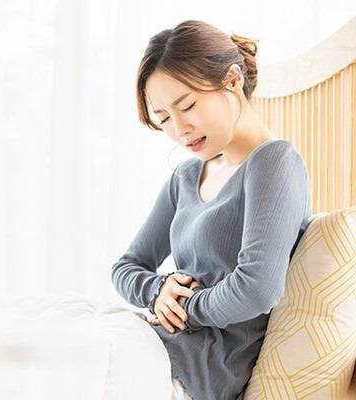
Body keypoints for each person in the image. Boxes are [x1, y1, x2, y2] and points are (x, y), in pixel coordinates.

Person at [111, 19, 312, 400]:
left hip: (199, 367)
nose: (179, 130)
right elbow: (126, 266)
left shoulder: (273, 162)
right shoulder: (186, 176)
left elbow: (257, 289)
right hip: (156, 342)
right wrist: (158, 290)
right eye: (164, 118)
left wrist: (186, 307)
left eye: (187, 106)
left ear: (232, 80)